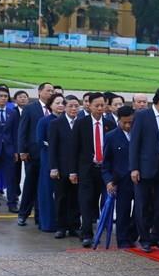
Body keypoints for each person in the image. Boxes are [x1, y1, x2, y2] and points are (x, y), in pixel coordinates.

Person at [130, 88, 159, 252]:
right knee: (143, 205)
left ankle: (157, 236)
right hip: (145, 169)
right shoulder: (142, 116)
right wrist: (134, 168)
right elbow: (134, 143)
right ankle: (144, 239)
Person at [74, 92, 116, 247]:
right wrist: (73, 171)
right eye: (96, 105)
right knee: (86, 201)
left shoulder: (110, 124)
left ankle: (104, 228)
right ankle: (86, 233)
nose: (100, 108)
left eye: (102, 105)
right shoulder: (81, 123)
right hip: (87, 169)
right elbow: (74, 149)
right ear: (89, 106)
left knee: (104, 200)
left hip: (104, 170)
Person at [16, 82, 54, 225]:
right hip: (33, 154)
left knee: (44, 187)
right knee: (30, 185)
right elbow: (22, 130)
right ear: (39, 92)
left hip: (50, 155)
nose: (50, 93)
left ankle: (40, 216)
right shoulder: (30, 108)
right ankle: (23, 214)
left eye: (52, 91)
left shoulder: (55, 109)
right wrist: (22, 150)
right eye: (48, 90)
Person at [102, 105, 135, 247]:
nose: (128, 126)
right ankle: (123, 240)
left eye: (130, 122)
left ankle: (133, 235)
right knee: (123, 211)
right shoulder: (111, 137)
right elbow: (106, 163)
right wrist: (109, 181)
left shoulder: (139, 134)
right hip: (121, 180)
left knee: (141, 211)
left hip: (139, 179)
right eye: (124, 122)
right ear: (118, 121)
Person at [48, 96, 81, 237]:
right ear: (65, 107)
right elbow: (52, 147)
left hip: (78, 168)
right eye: (70, 106)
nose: (74, 109)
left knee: (76, 198)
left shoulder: (82, 122)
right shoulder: (56, 123)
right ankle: (61, 226)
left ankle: (74, 226)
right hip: (61, 168)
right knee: (61, 198)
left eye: (76, 106)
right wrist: (53, 167)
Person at [36, 94, 65, 233]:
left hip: (64, 159)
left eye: (62, 103)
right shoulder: (44, 121)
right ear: (50, 105)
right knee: (47, 191)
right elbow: (40, 140)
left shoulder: (67, 120)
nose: (60, 105)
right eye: (57, 103)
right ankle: (48, 223)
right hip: (48, 158)